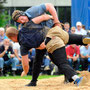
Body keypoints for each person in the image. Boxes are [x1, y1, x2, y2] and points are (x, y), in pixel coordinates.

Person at [8, 3, 90, 86]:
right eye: (20, 22)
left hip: (50, 39)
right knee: (72, 38)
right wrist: (52, 20)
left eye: (22, 19)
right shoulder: (27, 24)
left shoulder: (32, 13)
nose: (22, 22)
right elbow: (44, 17)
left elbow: (49, 6)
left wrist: (56, 21)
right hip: (54, 32)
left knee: (59, 62)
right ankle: (84, 39)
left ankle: (76, 78)